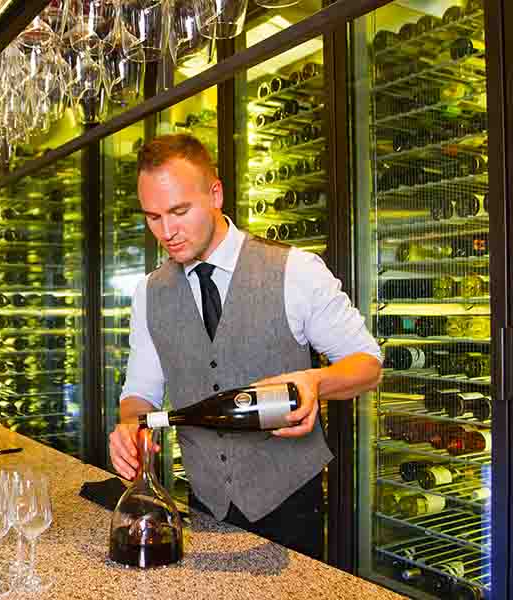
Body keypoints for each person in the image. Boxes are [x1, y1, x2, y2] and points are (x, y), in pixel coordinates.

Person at [108, 133, 382, 560]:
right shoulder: (150, 293)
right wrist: (129, 427)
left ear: (215, 194)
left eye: (180, 211)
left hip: (290, 506)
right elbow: (140, 394)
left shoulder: (295, 270)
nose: (167, 232)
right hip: (205, 504)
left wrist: (315, 382)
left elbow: (367, 364)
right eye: (153, 217)